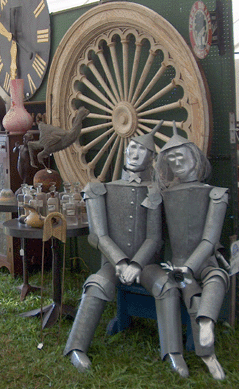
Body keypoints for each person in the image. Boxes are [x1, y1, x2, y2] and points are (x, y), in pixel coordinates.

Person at [64, 121, 164, 372]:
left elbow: (155, 238)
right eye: (131, 147)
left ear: (151, 158)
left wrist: (137, 264)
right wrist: (120, 262)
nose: (133, 152)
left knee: (166, 286)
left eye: (141, 150)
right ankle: (76, 348)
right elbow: (97, 236)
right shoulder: (101, 189)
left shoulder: (154, 192)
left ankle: (172, 352)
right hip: (112, 263)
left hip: (146, 265)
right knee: (96, 285)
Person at [140, 123, 229, 380]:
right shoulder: (163, 195)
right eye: (172, 158)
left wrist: (192, 265)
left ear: (195, 157)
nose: (178, 162)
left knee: (216, 278)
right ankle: (207, 355)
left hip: (202, 260)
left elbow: (210, 238)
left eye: (182, 156)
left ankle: (206, 322)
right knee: (192, 294)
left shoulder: (215, 194)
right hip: (178, 265)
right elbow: (154, 236)